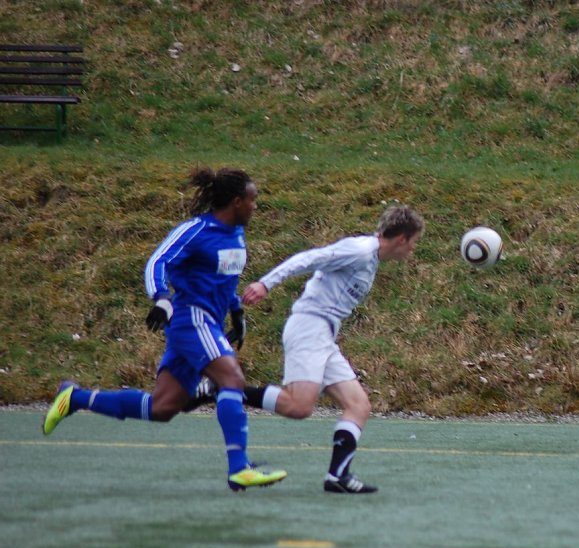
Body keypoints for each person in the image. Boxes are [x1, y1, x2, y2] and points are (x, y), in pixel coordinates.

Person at [42, 167, 287, 492]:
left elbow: (224, 278)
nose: (257, 206)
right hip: (190, 319)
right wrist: (161, 299)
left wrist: (237, 311)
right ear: (237, 201)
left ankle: (75, 398)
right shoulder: (196, 230)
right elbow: (158, 261)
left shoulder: (237, 235)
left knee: (162, 408)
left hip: (208, 322)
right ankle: (239, 468)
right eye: (253, 200)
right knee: (232, 380)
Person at [232, 204, 424, 494]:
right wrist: (265, 284)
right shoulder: (360, 250)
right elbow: (309, 258)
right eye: (413, 242)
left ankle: (338, 477)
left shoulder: (371, 258)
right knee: (299, 406)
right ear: (401, 239)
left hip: (324, 335)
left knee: (358, 405)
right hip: (309, 326)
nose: (413, 249)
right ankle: (224, 390)